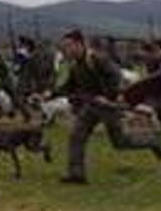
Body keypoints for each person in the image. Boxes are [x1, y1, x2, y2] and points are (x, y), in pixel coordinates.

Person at [58, 30, 161, 184]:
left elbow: (116, 76)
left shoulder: (97, 59)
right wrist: (49, 93)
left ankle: (155, 141)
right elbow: (68, 86)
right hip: (92, 107)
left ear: (79, 44)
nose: (65, 50)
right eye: (64, 47)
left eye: (68, 46)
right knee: (76, 135)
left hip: (109, 106)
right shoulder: (76, 66)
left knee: (121, 142)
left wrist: (109, 97)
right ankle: (77, 174)